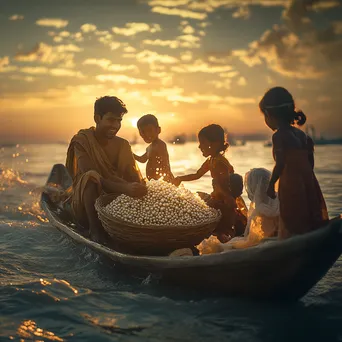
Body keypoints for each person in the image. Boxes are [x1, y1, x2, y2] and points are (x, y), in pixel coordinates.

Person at [65, 96, 147, 242]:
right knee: (90, 177)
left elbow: (132, 176)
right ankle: (95, 231)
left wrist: (137, 187)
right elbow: (91, 173)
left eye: (119, 121)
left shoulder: (123, 145)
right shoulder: (82, 141)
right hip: (87, 202)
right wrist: (125, 188)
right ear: (97, 118)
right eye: (111, 120)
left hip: (115, 200)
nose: (115, 125)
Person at [259, 86, 329, 238]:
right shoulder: (303, 136)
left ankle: (293, 242)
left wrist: (271, 185)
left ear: (269, 114)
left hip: (290, 183)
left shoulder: (279, 136)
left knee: (292, 216)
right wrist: (307, 181)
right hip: (308, 182)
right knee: (308, 213)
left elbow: (280, 163)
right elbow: (310, 164)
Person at [174, 124, 246, 242]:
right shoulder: (211, 160)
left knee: (224, 229)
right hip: (218, 196)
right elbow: (197, 174)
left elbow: (224, 185)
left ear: (214, 144)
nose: (199, 146)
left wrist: (228, 200)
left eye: (202, 143)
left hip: (225, 200)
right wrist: (180, 178)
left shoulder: (220, 163)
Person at [133, 114, 174, 183]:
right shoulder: (149, 148)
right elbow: (143, 160)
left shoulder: (160, 145)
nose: (146, 134)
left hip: (163, 181)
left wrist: (169, 180)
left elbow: (165, 165)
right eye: (142, 132)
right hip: (154, 182)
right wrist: (131, 153)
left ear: (158, 130)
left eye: (149, 130)